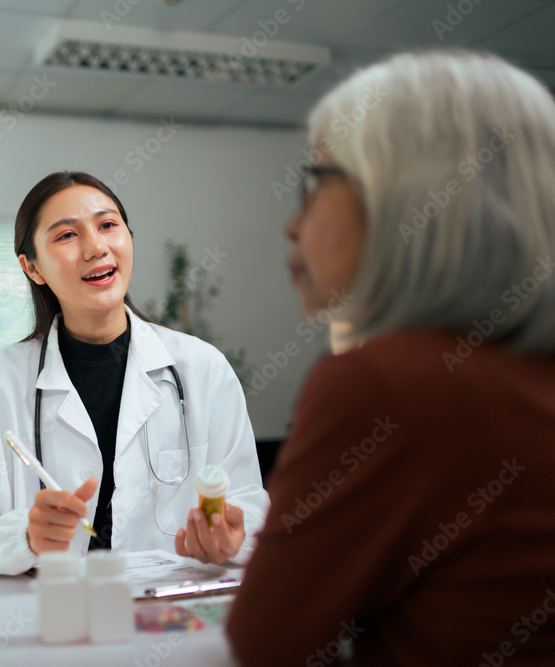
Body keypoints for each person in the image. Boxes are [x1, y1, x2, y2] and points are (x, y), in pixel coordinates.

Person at [227, 51, 555, 666]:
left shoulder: (386, 385)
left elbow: (265, 643)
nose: (292, 227)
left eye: (314, 184)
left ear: (408, 199)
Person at [0, 171, 269, 576]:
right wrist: (22, 536)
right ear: (33, 268)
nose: (96, 246)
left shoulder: (203, 370)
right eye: (66, 235)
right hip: (43, 620)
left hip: (168, 615)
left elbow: (247, 501)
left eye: (108, 225)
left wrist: (234, 537)